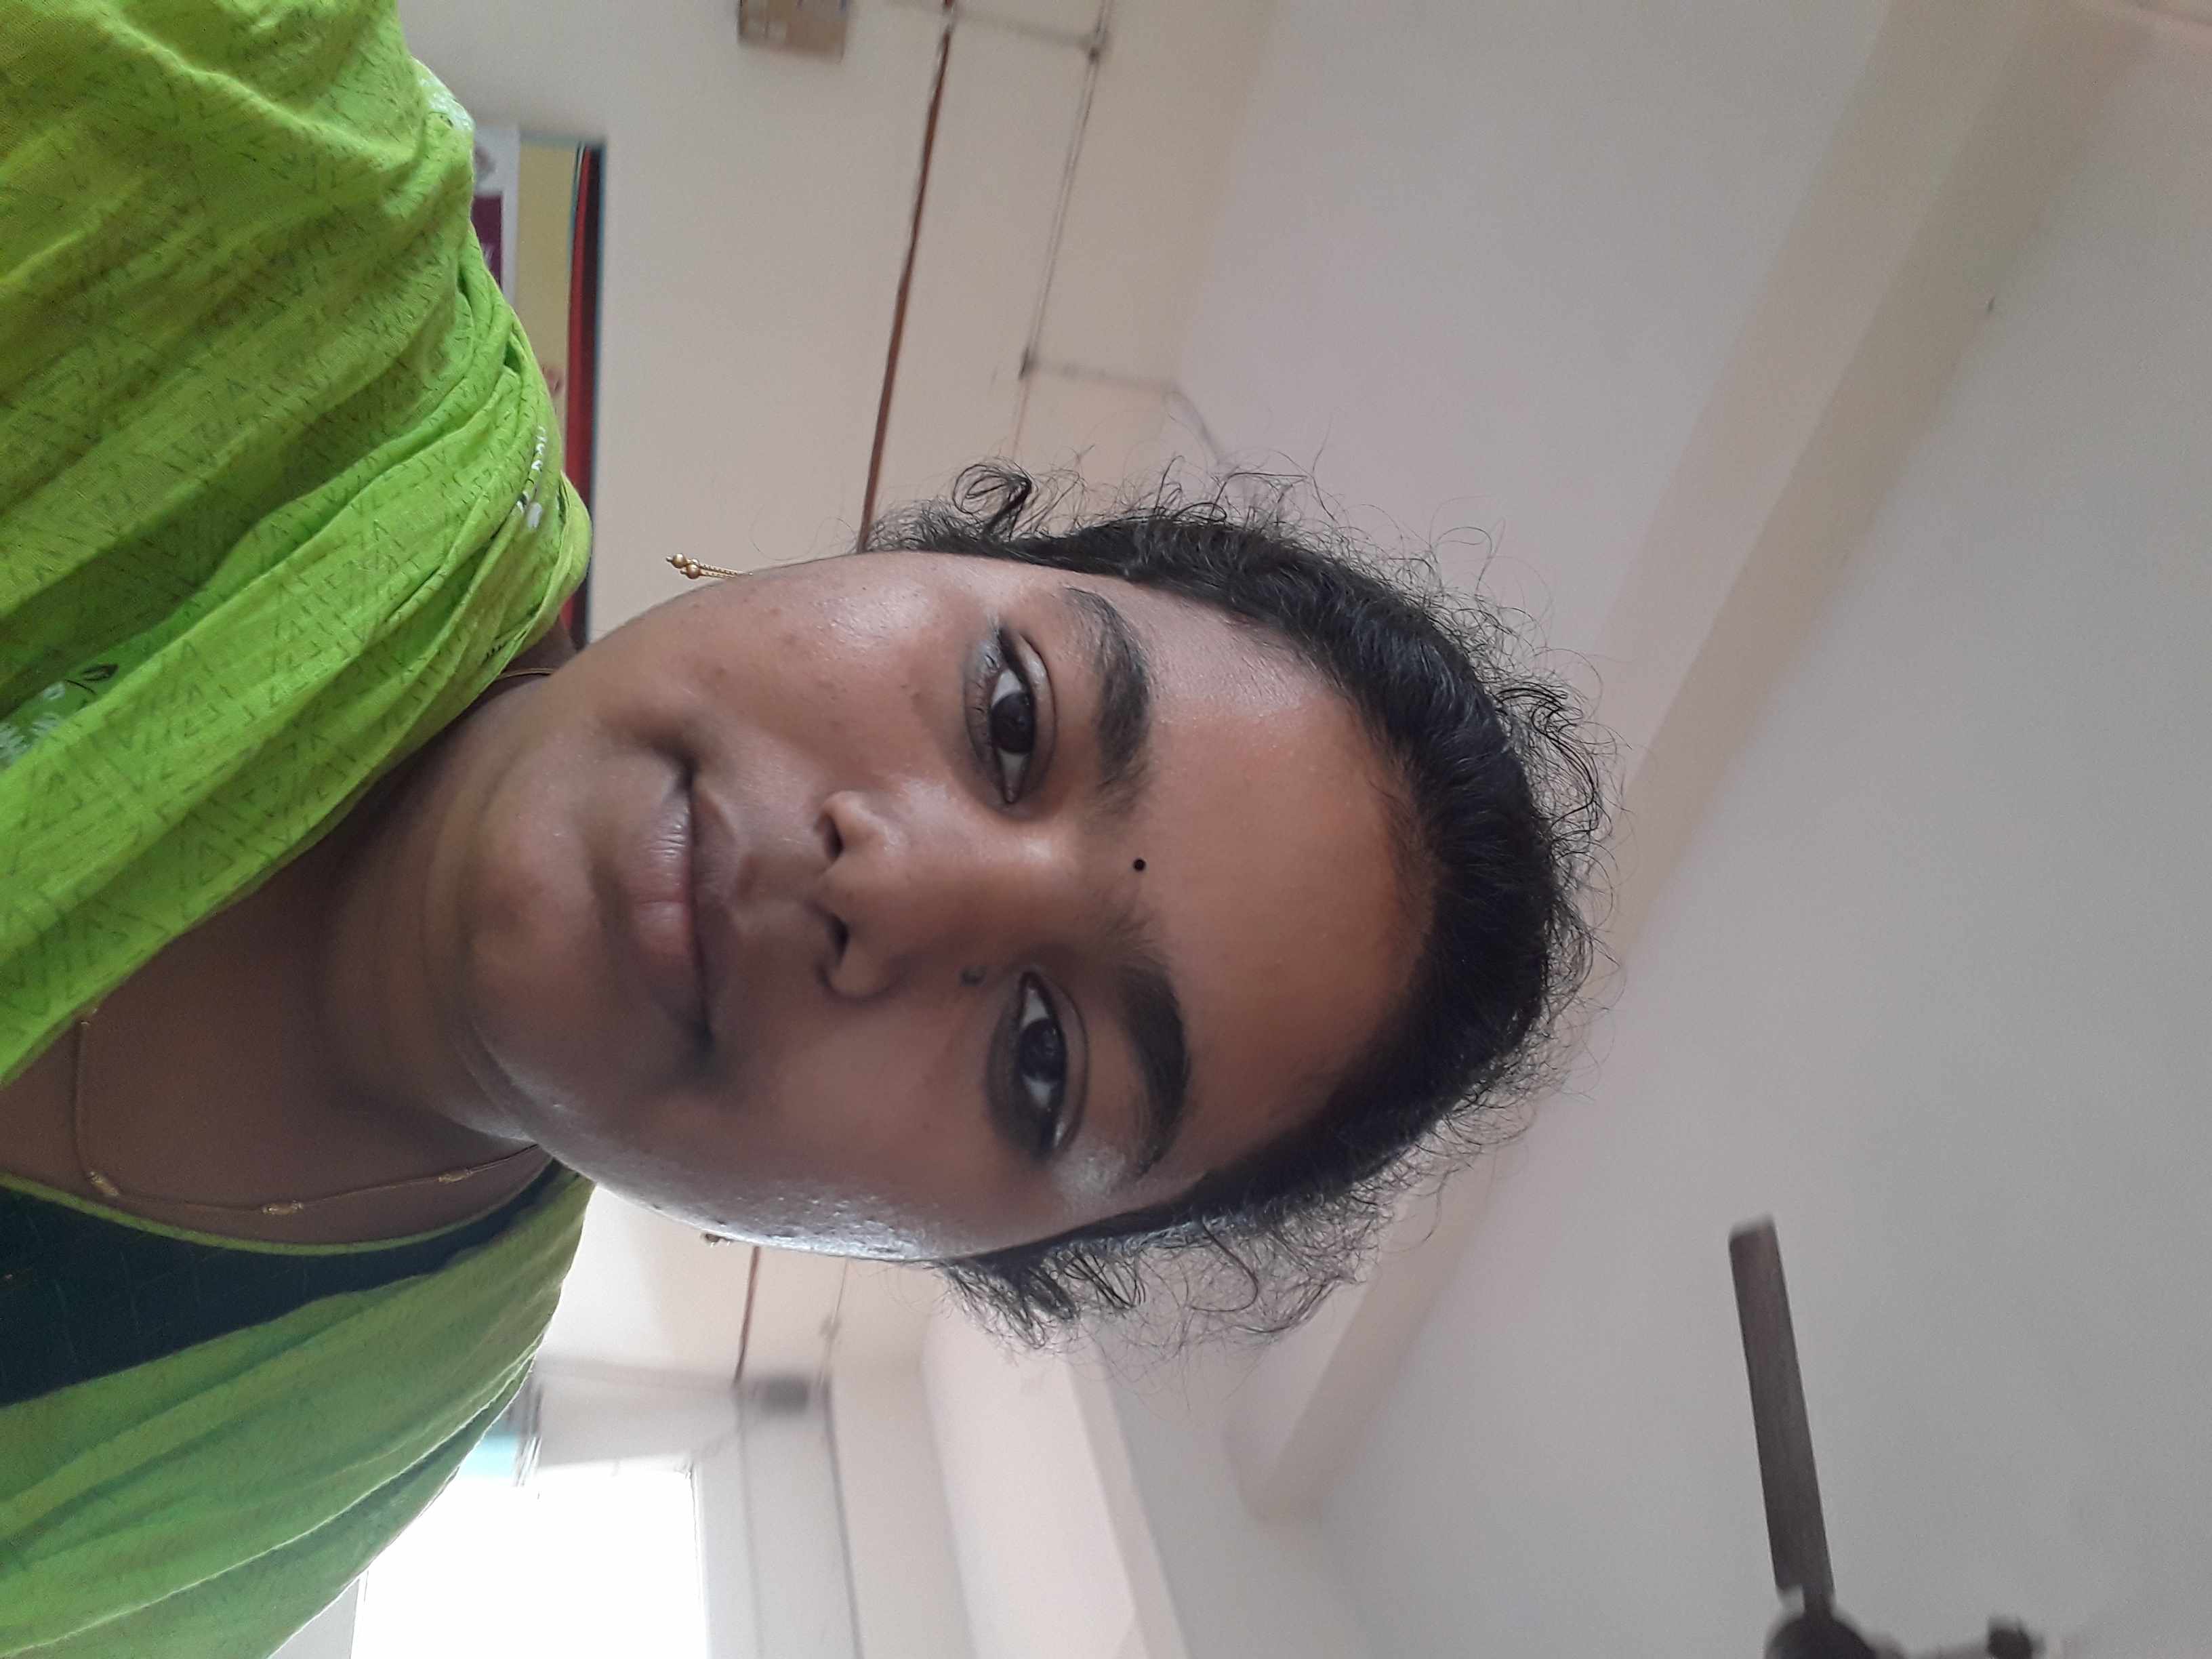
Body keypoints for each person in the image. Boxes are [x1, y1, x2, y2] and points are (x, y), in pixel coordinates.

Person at [0, 1, 1604, 1654]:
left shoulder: (335, 1452)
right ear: (914, 553)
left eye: (1041, 1063)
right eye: (1011, 717)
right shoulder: (254, 153)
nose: (892, 888)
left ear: (977, 1257)